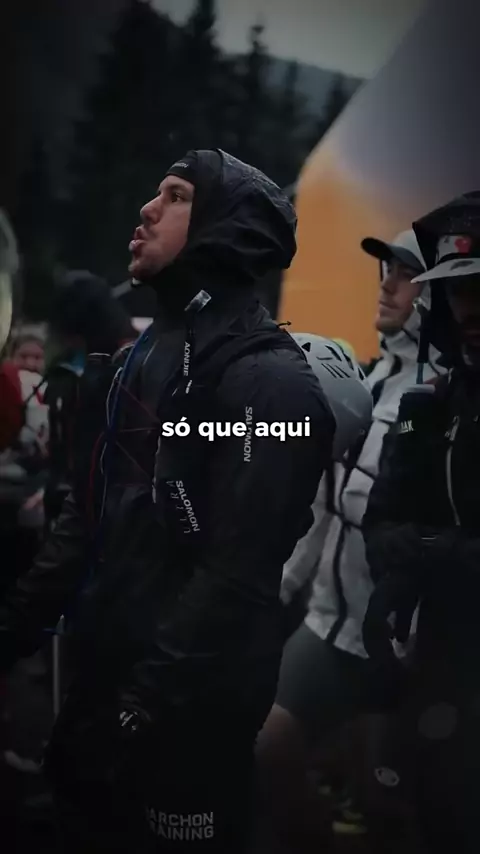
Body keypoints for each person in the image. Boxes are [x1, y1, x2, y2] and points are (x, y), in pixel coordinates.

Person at [0, 149, 336, 853]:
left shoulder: (272, 384)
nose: (147, 210)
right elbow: (87, 518)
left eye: (177, 195)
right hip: (105, 683)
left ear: (226, 224)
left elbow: (236, 576)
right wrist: (16, 629)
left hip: (187, 712)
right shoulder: (137, 361)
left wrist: (143, 702)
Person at [254, 229, 445, 853]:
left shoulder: (450, 399)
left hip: (406, 649)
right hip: (329, 624)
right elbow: (323, 503)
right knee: (267, 745)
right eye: (386, 270)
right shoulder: (369, 379)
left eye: (406, 273)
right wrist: (273, 589)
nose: (387, 284)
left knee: (386, 806)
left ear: (441, 288)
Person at [362, 191, 480, 853]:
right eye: (457, 290)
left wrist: (428, 551)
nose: (469, 308)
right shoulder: (428, 404)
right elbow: (381, 523)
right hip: (435, 667)